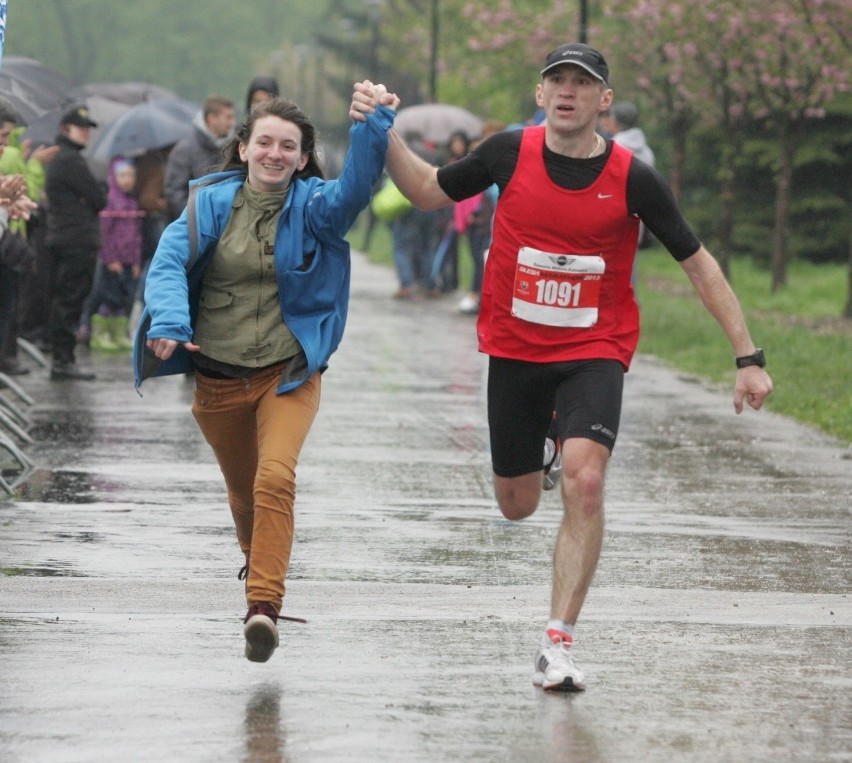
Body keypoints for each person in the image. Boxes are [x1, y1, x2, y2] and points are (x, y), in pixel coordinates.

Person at [351, 44, 773, 692]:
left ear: (605, 100)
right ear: (541, 94)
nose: (569, 91)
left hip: (593, 350)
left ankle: (558, 642)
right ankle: (549, 445)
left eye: (584, 82)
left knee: (588, 481)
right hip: (517, 351)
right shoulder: (506, 153)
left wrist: (748, 356)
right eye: (558, 81)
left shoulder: (633, 176)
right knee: (516, 505)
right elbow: (426, 190)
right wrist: (381, 132)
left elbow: (697, 261)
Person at [133, 85, 398, 663]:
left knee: (275, 478)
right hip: (219, 378)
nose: (276, 154)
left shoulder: (315, 207)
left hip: (288, 374)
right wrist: (170, 321)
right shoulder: (206, 205)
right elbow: (169, 263)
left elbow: (355, 189)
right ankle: (261, 564)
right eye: (265, 143)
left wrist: (372, 126)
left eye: (289, 147)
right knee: (244, 491)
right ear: (244, 148)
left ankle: (263, 607)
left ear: (303, 157)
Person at [44, 104, 106, 381]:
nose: (85, 134)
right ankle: (63, 360)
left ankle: (63, 357)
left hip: (67, 236)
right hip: (75, 238)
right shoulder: (70, 160)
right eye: (80, 128)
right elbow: (99, 198)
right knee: (71, 298)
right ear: (64, 129)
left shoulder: (63, 158)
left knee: (67, 297)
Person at [86, 158, 143, 351]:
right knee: (109, 296)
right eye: (123, 175)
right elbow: (105, 234)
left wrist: (136, 261)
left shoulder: (133, 202)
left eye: (131, 175)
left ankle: (118, 333)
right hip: (113, 260)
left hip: (129, 260)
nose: (128, 180)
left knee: (124, 297)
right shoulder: (110, 201)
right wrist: (110, 258)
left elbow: (136, 235)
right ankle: (100, 332)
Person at [163, 95, 236, 221]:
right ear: (212, 118)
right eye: (228, 117)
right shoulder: (184, 151)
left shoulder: (232, 149)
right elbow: (174, 193)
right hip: (195, 230)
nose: (232, 123)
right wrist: (200, 219)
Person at [388, 130, 441, 299]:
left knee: (402, 247)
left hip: (408, 207)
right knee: (427, 247)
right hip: (430, 207)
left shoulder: (405, 154)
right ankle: (430, 284)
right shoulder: (432, 154)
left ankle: (406, 284)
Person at [599, 101, 656, 251]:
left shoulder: (611, 147)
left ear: (615, 121)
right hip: (636, 217)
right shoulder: (646, 151)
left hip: (608, 216)